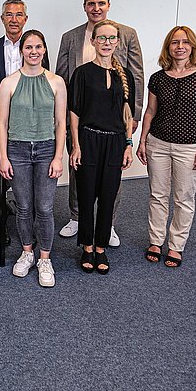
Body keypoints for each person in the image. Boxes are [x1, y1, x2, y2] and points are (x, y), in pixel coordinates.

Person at [56, 0, 144, 246]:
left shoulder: (126, 34)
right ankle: (76, 216)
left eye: (101, 3)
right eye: (91, 4)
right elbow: (62, 78)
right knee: (77, 167)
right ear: (84, 6)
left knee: (111, 176)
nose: (96, 8)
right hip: (81, 118)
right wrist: (61, 117)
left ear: (108, 5)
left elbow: (136, 75)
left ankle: (109, 223)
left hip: (115, 120)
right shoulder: (70, 37)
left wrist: (134, 115)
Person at [137, 26, 196, 268]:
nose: (179, 46)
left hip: (189, 147)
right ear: (168, 47)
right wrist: (142, 141)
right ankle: (155, 240)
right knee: (158, 195)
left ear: (192, 46)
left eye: (184, 42)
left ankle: (176, 245)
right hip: (158, 144)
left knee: (183, 198)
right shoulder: (158, 78)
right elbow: (150, 112)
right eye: (174, 42)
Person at [0, 30, 66, 287]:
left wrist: (58, 157)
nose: (33, 51)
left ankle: (45, 259)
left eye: (38, 47)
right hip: (18, 151)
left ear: (44, 50)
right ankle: (27, 252)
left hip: (47, 150)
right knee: (24, 207)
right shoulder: (9, 83)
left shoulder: (57, 82)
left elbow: (61, 123)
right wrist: (4, 158)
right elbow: (2, 124)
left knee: (45, 208)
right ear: (21, 51)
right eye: (28, 47)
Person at [0, 0, 50, 240]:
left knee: (29, 180)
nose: (14, 19)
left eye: (19, 15)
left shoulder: (35, 47)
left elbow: (46, 87)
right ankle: (0, 226)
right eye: (9, 15)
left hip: (32, 128)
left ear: (25, 19)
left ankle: (29, 229)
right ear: (2, 19)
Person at [69, 20, 135, 274]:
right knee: (86, 196)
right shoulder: (82, 73)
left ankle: (100, 247)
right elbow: (74, 112)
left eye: (111, 39)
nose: (106, 43)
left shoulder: (125, 75)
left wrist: (128, 145)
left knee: (108, 198)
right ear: (93, 41)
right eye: (102, 38)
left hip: (115, 142)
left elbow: (127, 115)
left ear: (117, 42)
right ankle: (86, 246)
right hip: (89, 139)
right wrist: (76, 145)